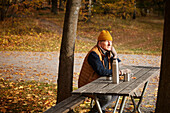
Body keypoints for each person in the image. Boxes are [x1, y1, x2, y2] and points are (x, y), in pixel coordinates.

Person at [78, 30, 121, 113]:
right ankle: (95, 111)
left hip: (98, 83)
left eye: (110, 42)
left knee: (116, 93)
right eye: (106, 41)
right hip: (88, 85)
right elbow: (101, 72)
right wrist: (117, 73)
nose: (109, 44)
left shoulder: (107, 52)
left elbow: (118, 66)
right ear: (99, 43)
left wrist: (115, 56)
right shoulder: (94, 54)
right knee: (107, 97)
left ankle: (99, 110)